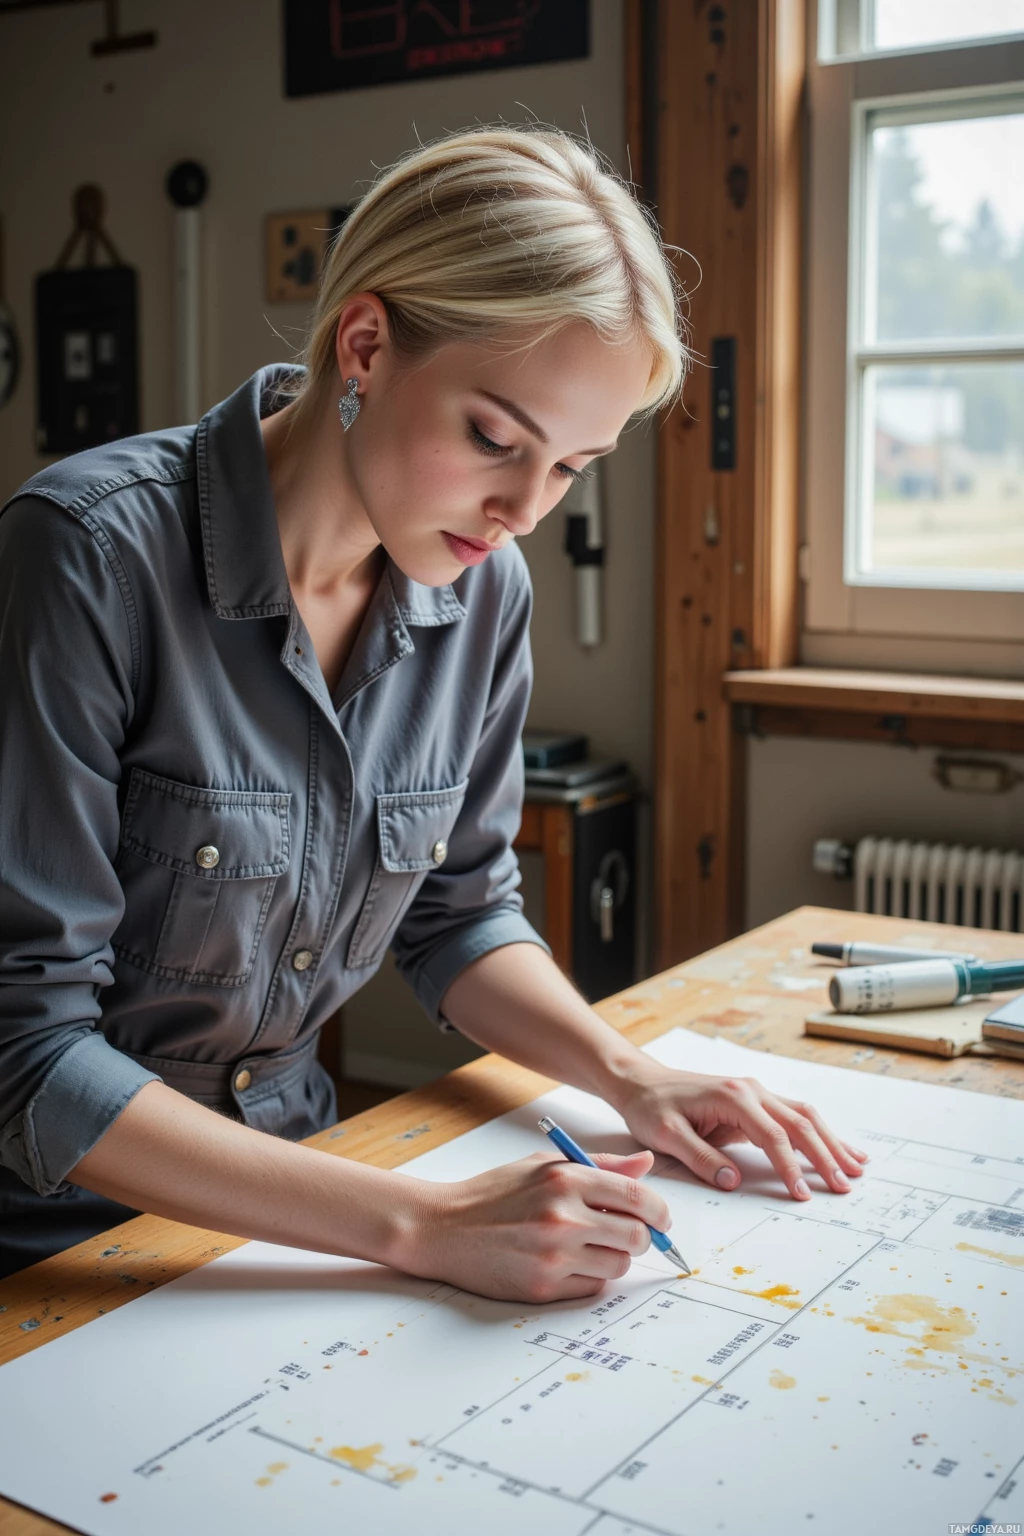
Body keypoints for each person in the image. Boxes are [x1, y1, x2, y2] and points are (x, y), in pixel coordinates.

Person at [0, 126, 866, 1293]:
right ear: (363, 341)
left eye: (570, 467)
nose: (521, 507)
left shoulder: (481, 586)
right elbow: (27, 1052)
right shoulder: (84, 558)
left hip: (299, 1198)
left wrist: (627, 1075)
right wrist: (421, 1223)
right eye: (495, 438)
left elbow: (457, 911)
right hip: (55, 1246)